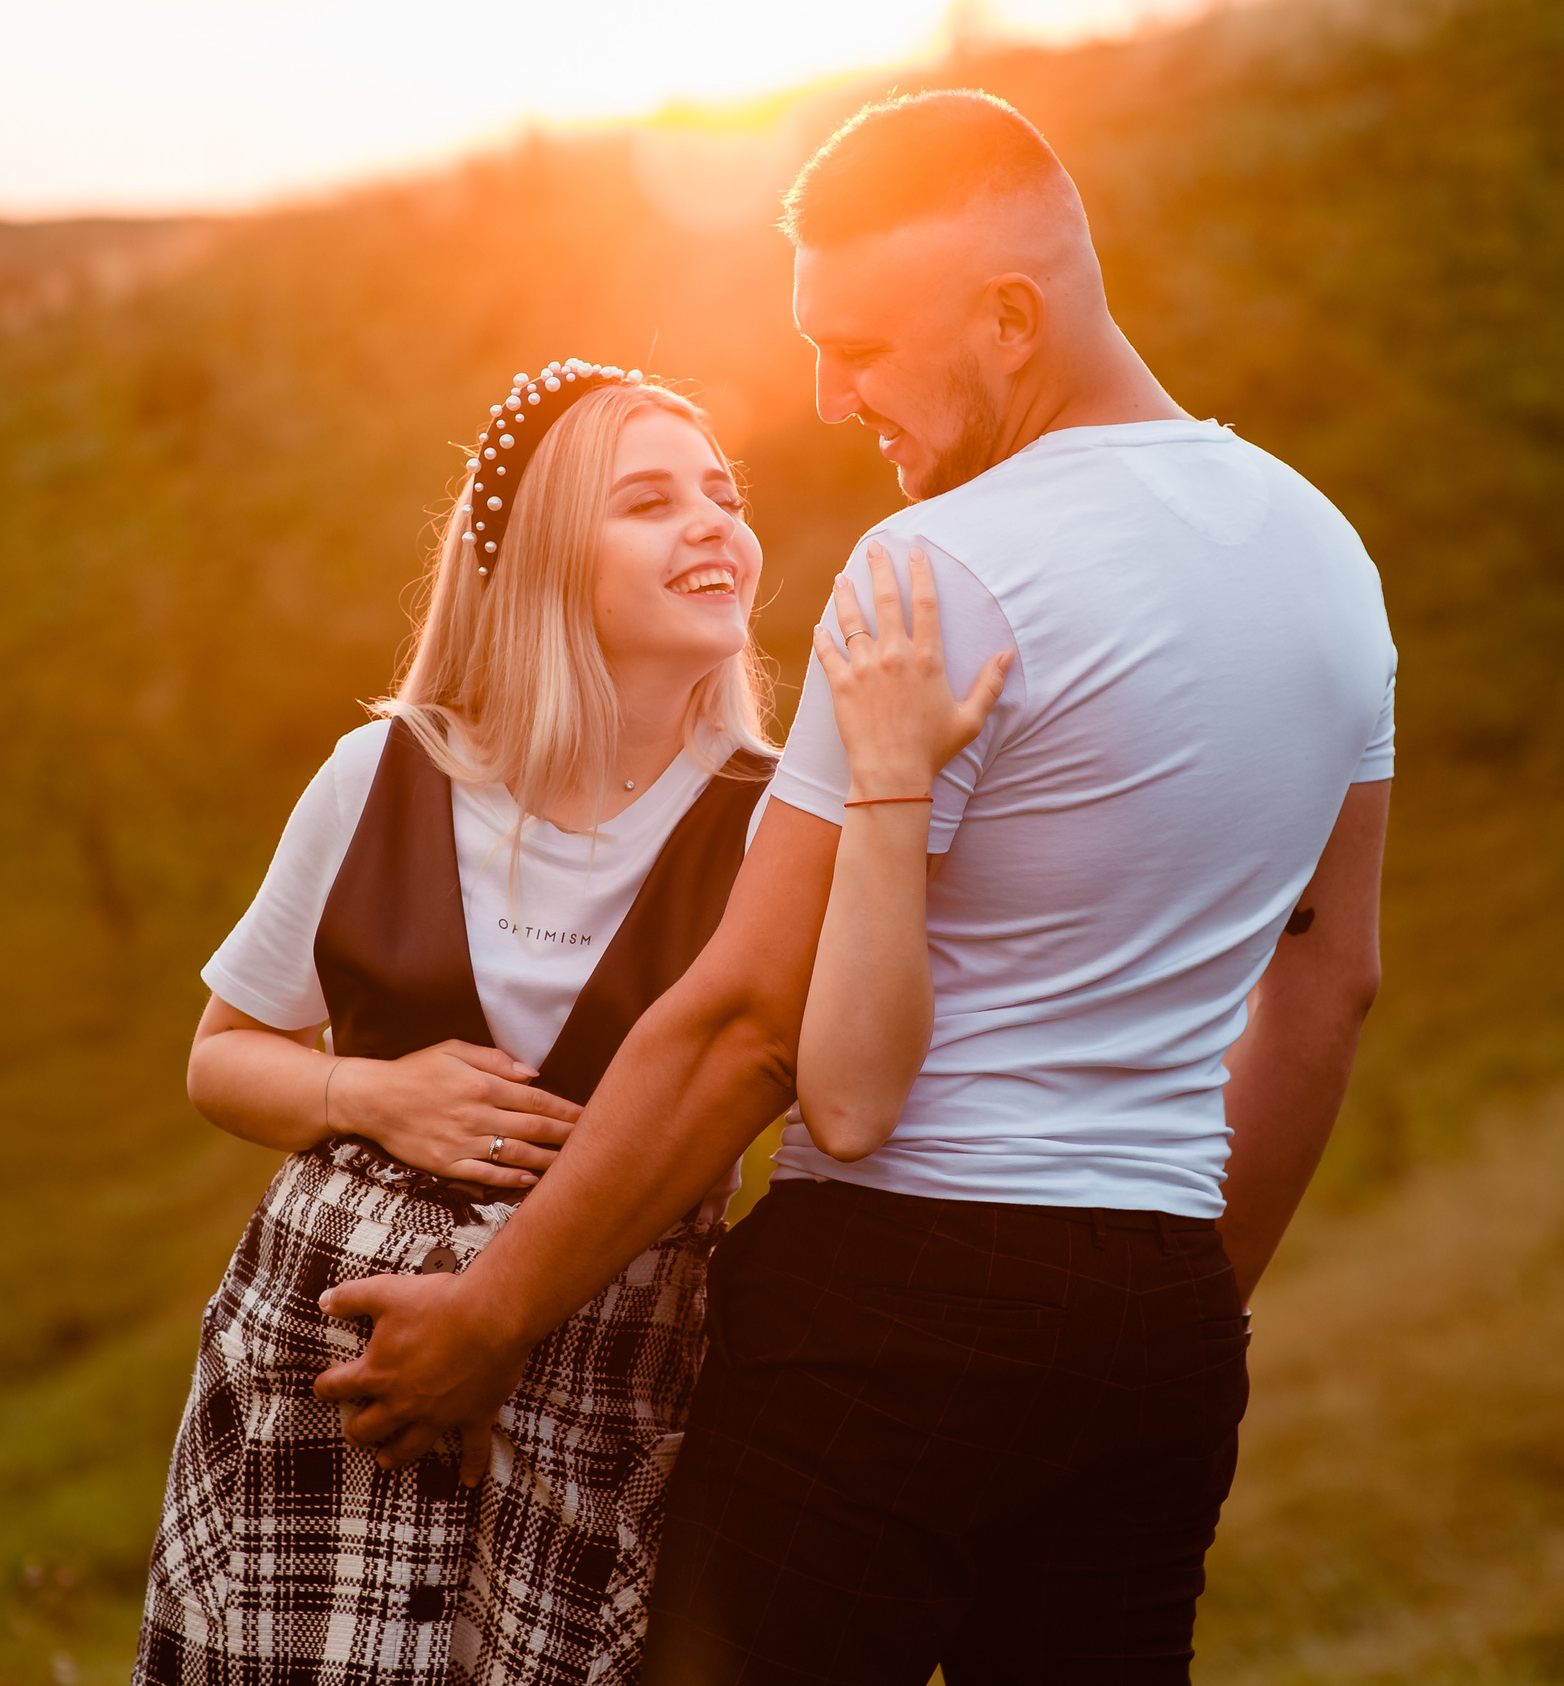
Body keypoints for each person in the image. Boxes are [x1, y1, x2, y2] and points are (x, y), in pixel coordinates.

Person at [313, 88, 1398, 1684]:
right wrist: (1166, 1299)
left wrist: (492, 1315)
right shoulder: (1327, 557)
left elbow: (752, 1020)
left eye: (865, 346)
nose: (829, 399)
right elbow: (1331, 979)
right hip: (1163, 1321)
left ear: (1011, 320)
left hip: (891, 1303)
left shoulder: (939, 571)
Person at [133, 361, 785, 1684]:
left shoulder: (779, 820)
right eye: (650, 501)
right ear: (543, 559)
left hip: (597, 1362)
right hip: (321, 1361)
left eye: (724, 493)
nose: (713, 522)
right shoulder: (384, 770)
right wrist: (366, 1095)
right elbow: (222, 1057)